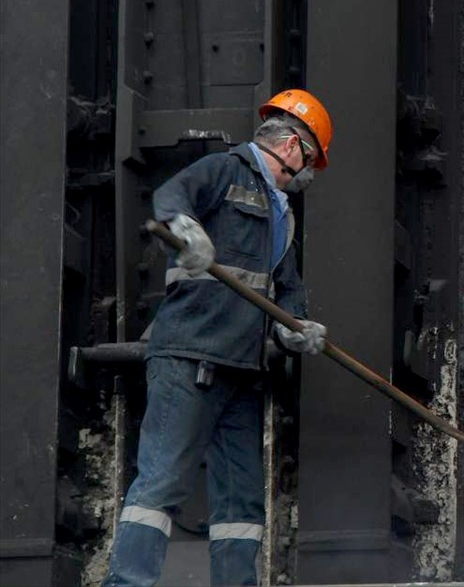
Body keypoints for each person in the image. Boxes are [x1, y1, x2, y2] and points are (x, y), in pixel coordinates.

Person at [105, 89, 334, 587]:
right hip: (190, 357)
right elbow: (171, 196)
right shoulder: (225, 170)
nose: (309, 176)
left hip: (242, 371)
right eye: (311, 161)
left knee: (242, 503)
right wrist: (186, 229)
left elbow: (285, 288)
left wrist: (299, 328)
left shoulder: (282, 217)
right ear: (292, 147)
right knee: (162, 483)